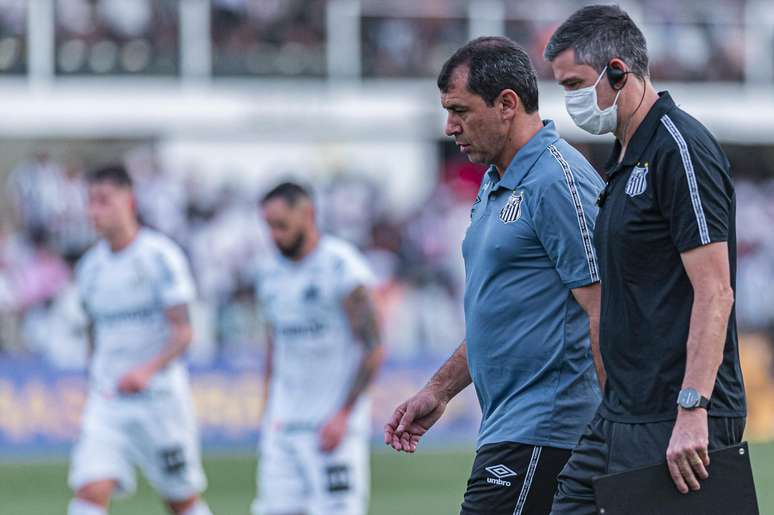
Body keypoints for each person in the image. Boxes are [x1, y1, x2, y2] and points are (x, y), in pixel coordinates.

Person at [384, 37, 606, 515]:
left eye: (460, 110)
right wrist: (439, 390)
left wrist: (618, 428)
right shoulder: (494, 182)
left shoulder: (557, 179)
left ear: (507, 104)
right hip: (511, 428)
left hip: (548, 429)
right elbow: (502, 316)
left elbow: (606, 308)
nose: (449, 127)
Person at [544, 5, 747, 513]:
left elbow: (715, 289)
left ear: (618, 71)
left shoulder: (679, 147)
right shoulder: (624, 156)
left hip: (676, 412)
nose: (570, 100)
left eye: (575, 83)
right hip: (623, 413)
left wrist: (693, 407)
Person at [67, 165, 211, 515]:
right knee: (90, 489)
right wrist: (94, 378)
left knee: (181, 499)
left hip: (158, 400)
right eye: (90, 202)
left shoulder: (160, 257)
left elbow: (184, 331)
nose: (94, 211)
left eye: (104, 201)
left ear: (128, 201)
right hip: (108, 400)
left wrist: (147, 371)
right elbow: (93, 332)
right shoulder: (90, 268)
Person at [251, 182, 384, 515]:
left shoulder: (342, 268)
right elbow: (274, 345)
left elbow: (374, 346)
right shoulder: (268, 274)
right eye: (269, 226)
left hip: (330, 429)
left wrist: (344, 414)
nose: (275, 235)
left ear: (308, 214)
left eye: (281, 225)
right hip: (282, 427)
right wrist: (268, 408)